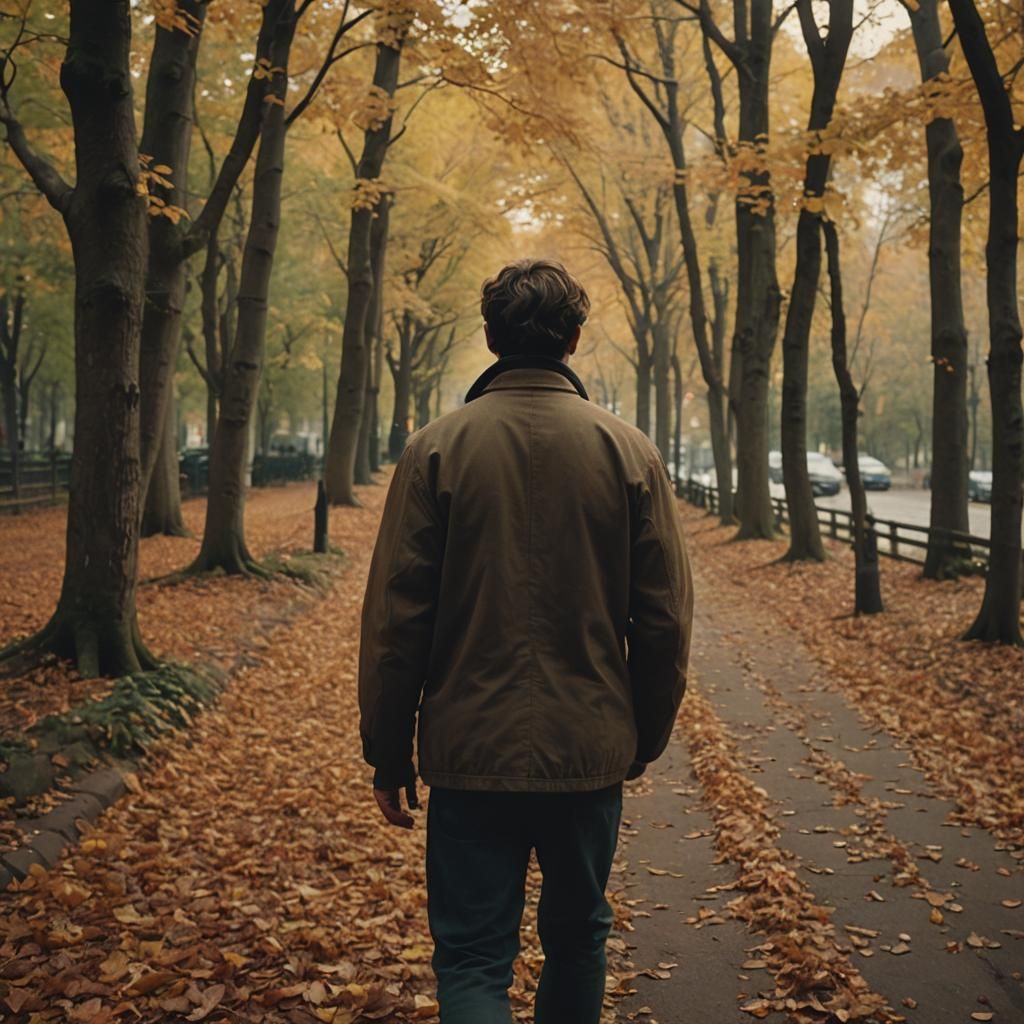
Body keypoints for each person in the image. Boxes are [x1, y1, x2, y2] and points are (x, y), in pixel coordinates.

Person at [359, 258, 693, 1023]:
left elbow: (394, 621)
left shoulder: (435, 451)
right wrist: (641, 733)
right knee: (578, 941)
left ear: (489, 337)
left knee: (474, 957)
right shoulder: (629, 452)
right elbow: (667, 618)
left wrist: (388, 749)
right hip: (588, 749)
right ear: (575, 339)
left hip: (470, 752)